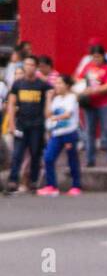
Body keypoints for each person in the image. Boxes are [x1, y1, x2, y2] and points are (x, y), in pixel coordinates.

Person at [6, 56, 52, 193]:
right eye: (26, 64)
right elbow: (12, 103)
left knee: (35, 153)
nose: (28, 67)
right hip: (21, 124)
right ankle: (13, 180)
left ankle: (33, 181)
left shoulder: (42, 84)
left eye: (31, 65)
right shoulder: (18, 84)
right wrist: (11, 123)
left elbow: (52, 91)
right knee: (17, 154)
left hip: (37, 124)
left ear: (36, 67)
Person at [36, 74, 82, 196]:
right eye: (56, 83)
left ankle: (76, 186)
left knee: (72, 160)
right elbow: (47, 114)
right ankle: (51, 186)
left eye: (60, 83)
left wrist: (54, 118)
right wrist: (48, 99)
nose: (57, 85)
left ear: (67, 85)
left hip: (69, 133)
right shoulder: (56, 99)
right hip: (57, 133)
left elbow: (68, 114)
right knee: (48, 157)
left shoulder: (72, 98)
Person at [74, 44, 107, 167]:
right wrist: (82, 88)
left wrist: (93, 90)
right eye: (94, 57)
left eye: (98, 57)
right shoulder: (87, 67)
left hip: (105, 104)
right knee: (90, 132)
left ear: (103, 56)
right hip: (90, 104)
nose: (96, 59)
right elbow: (78, 79)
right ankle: (90, 160)